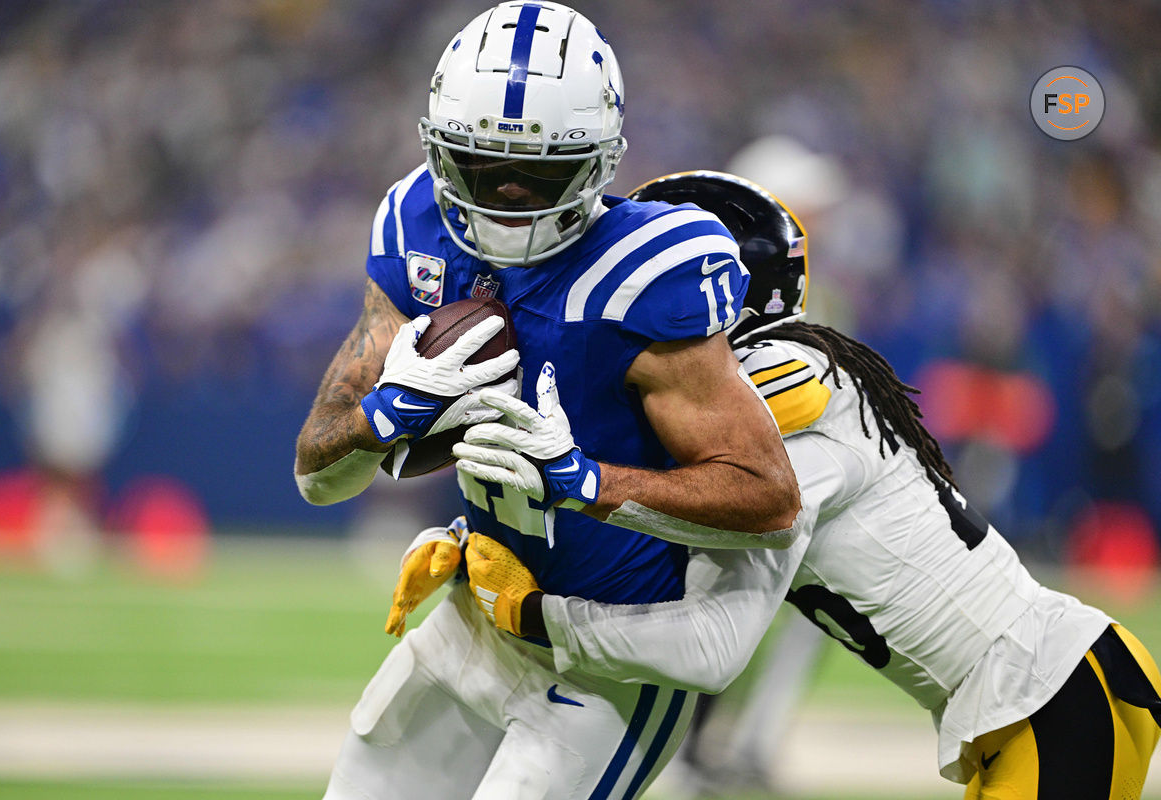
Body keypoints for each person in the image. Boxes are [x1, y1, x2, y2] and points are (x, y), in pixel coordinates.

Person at [421, 171, 1161, 799]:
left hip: (1049, 696)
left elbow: (710, 647)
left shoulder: (785, 394)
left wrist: (535, 614)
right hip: (1047, 695)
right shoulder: (778, 387)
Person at [292, 4, 800, 798]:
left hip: (612, 658)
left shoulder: (646, 269)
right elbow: (317, 476)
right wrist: (386, 414)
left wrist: (588, 481)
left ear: (599, 162)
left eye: (540, 171)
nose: (508, 196)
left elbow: (769, 501)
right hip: (476, 616)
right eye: (481, 166)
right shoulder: (413, 225)